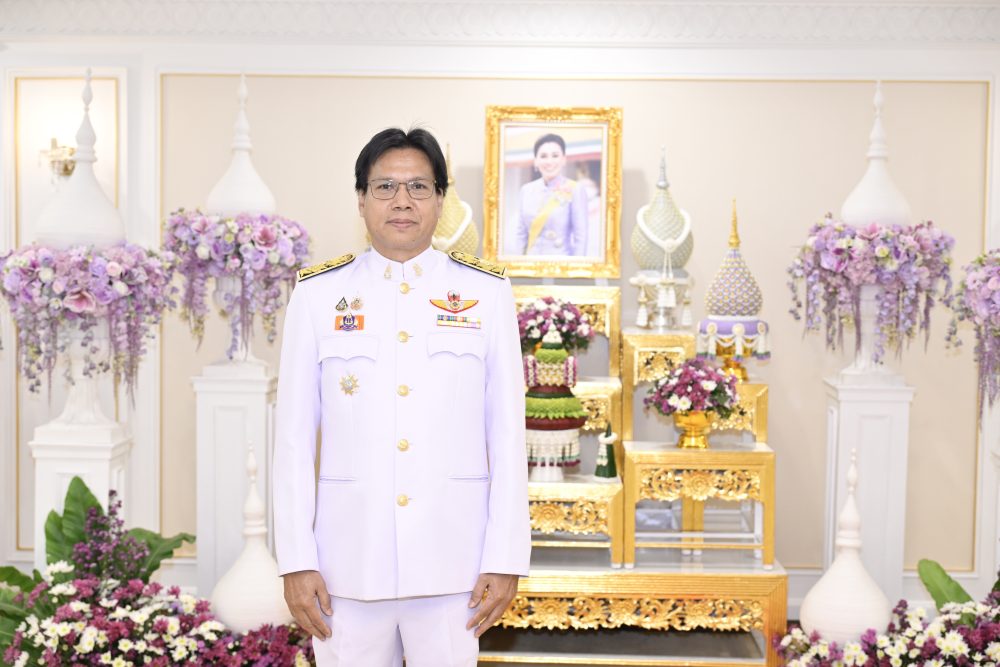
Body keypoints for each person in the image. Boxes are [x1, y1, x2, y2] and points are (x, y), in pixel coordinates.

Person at [272, 127, 531, 667]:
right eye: (385, 187)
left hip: (455, 564)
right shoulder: (318, 295)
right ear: (361, 199)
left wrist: (506, 557)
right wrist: (295, 559)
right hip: (345, 566)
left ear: (440, 199)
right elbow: (293, 440)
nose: (402, 201)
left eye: (418, 187)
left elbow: (507, 434)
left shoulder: (486, 293)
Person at [512, 133, 589, 256]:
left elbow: (581, 238)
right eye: (543, 156)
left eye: (555, 156)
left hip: (562, 263)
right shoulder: (526, 190)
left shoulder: (575, 189)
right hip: (530, 263)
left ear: (563, 160)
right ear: (536, 161)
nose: (549, 161)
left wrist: (578, 267)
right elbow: (520, 235)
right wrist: (516, 264)